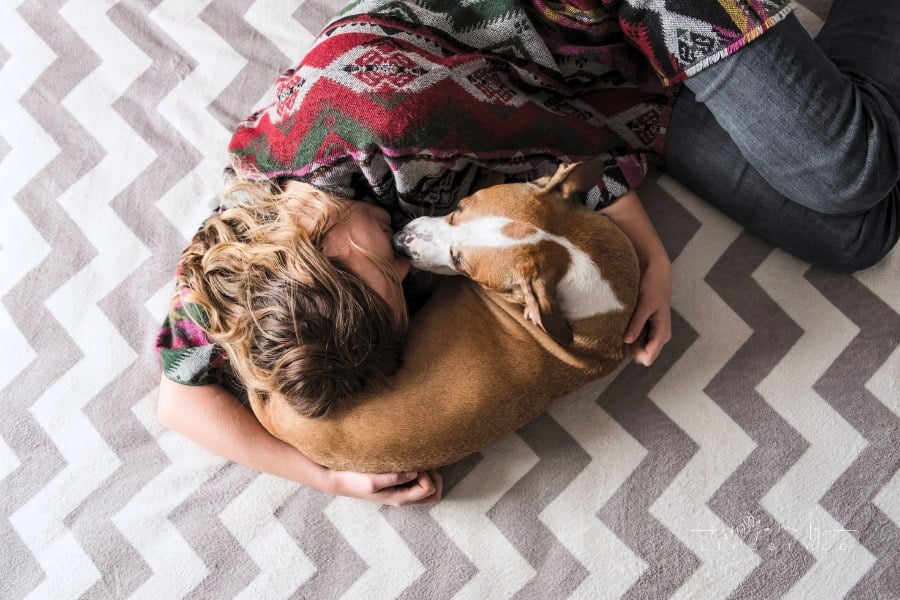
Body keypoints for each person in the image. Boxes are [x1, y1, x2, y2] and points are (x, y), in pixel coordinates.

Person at [155, 0, 899, 506]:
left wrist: (654, 260)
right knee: (851, 233)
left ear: (322, 239)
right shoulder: (236, 270)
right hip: (581, 86)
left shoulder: (392, 127)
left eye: (386, 269)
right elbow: (179, 400)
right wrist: (331, 480)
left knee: (850, 169)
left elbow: (564, 147)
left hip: (575, 25)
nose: (409, 267)